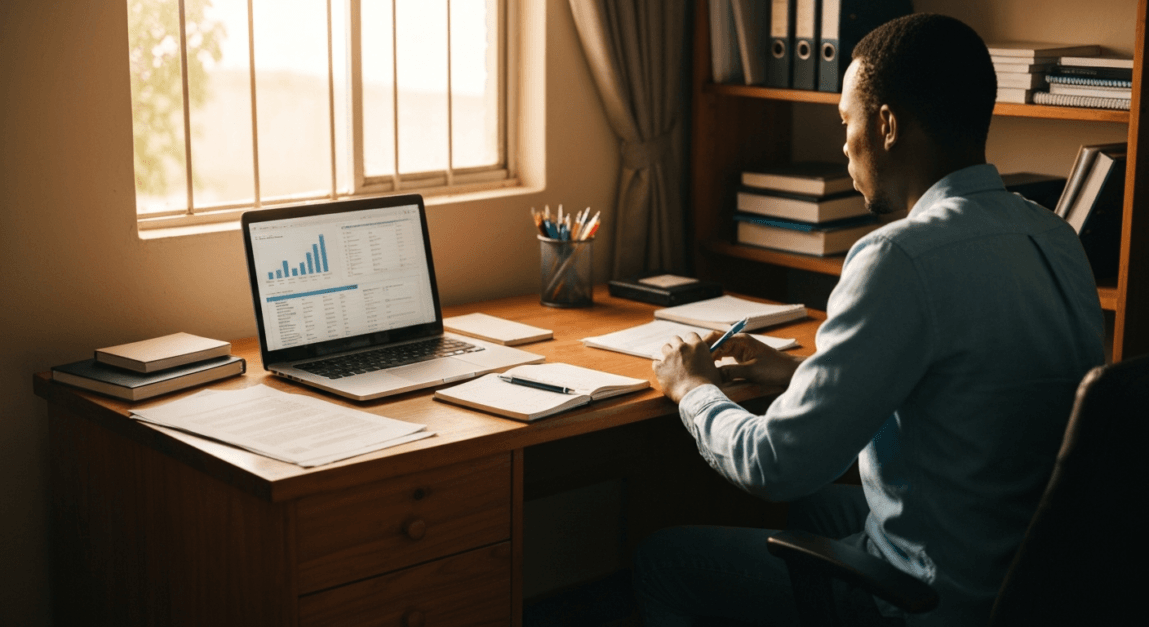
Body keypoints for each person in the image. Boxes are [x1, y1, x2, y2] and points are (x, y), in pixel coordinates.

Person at [635, 13, 1106, 626]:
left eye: (845, 122)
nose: (842, 145)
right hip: (1030, 576)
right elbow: (970, 380)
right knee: (812, 513)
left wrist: (691, 388)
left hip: (935, 595)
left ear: (884, 125)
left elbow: (776, 464)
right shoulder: (1054, 234)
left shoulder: (898, 256)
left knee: (664, 557)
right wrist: (800, 373)